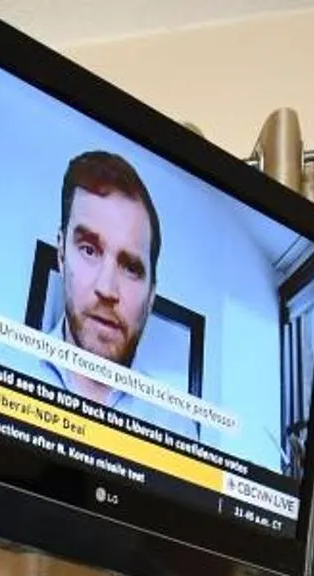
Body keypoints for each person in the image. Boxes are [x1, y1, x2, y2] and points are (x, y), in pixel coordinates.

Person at [41, 150, 187, 436]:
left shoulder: (176, 428)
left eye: (131, 268)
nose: (107, 289)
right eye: (89, 250)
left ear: (152, 294)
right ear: (61, 253)